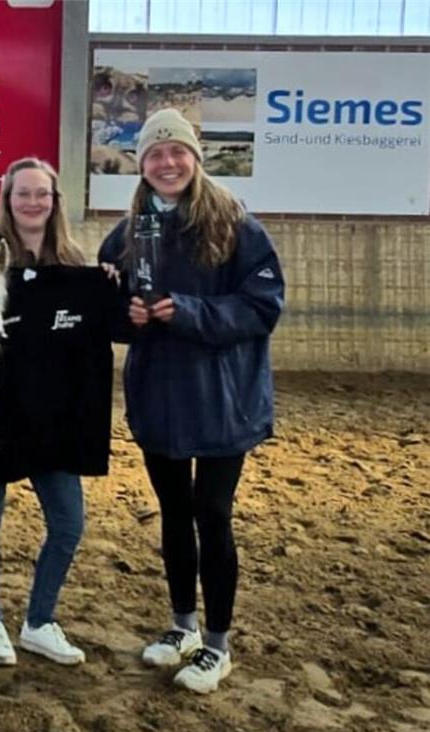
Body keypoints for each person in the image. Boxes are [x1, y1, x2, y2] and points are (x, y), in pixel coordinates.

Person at [98, 108, 285, 694]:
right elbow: (109, 310)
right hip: (160, 400)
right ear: (143, 164)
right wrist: (124, 316)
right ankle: (182, 625)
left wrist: (190, 312)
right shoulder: (128, 232)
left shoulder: (235, 224)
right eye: (155, 154)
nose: (167, 162)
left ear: (194, 159)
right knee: (175, 514)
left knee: (214, 514)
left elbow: (262, 306)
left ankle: (218, 645)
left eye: (177, 152)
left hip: (224, 400)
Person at [0, 157, 127, 669]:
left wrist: (108, 284)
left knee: (68, 524)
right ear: (7, 200)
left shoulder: (77, 265)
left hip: (55, 419)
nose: (33, 202)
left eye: (42, 194)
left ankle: (39, 621)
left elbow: (117, 324)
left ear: (55, 202)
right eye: (23, 194)